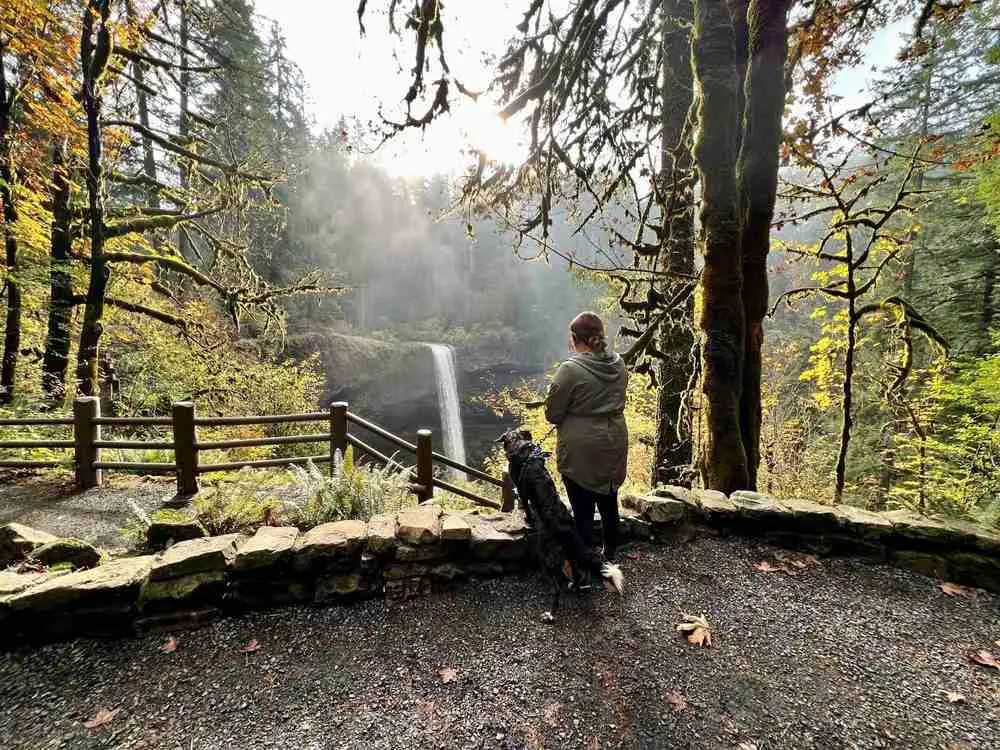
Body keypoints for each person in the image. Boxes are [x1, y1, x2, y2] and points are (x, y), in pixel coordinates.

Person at [544, 311, 628, 563]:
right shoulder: (618, 363)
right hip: (614, 440)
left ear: (574, 338)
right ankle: (611, 554)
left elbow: (552, 412)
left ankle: (585, 565)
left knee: (582, 508)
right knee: (609, 499)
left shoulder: (570, 370)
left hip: (582, 448)